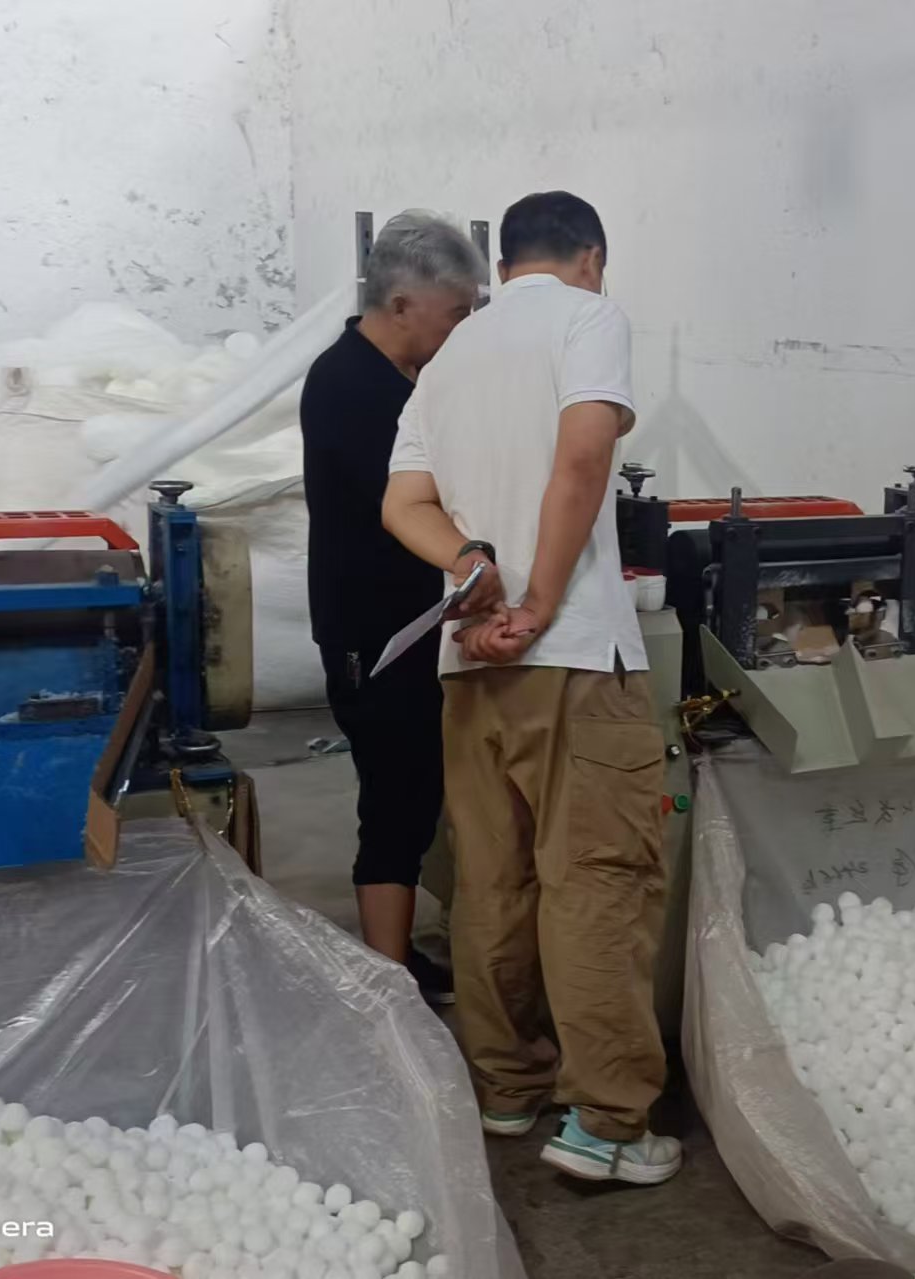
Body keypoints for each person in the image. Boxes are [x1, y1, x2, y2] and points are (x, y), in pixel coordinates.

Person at [380, 191, 680, 1186]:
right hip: (574, 657)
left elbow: (402, 502)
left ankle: (507, 1086)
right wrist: (542, 597)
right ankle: (608, 1123)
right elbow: (584, 455)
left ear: (503, 265)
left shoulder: (451, 352)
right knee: (596, 880)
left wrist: (472, 563)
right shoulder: (589, 317)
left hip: (471, 662)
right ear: (591, 256)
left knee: (493, 879)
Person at [300, 210, 486, 1004]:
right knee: (395, 796)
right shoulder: (349, 384)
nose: (463, 329)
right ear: (403, 303)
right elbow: (411, 503)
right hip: (371, 628)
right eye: (456, 313)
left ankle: (401, 952)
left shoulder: (405, 380)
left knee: (417, 792)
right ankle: (388, 978)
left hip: (418, 620)